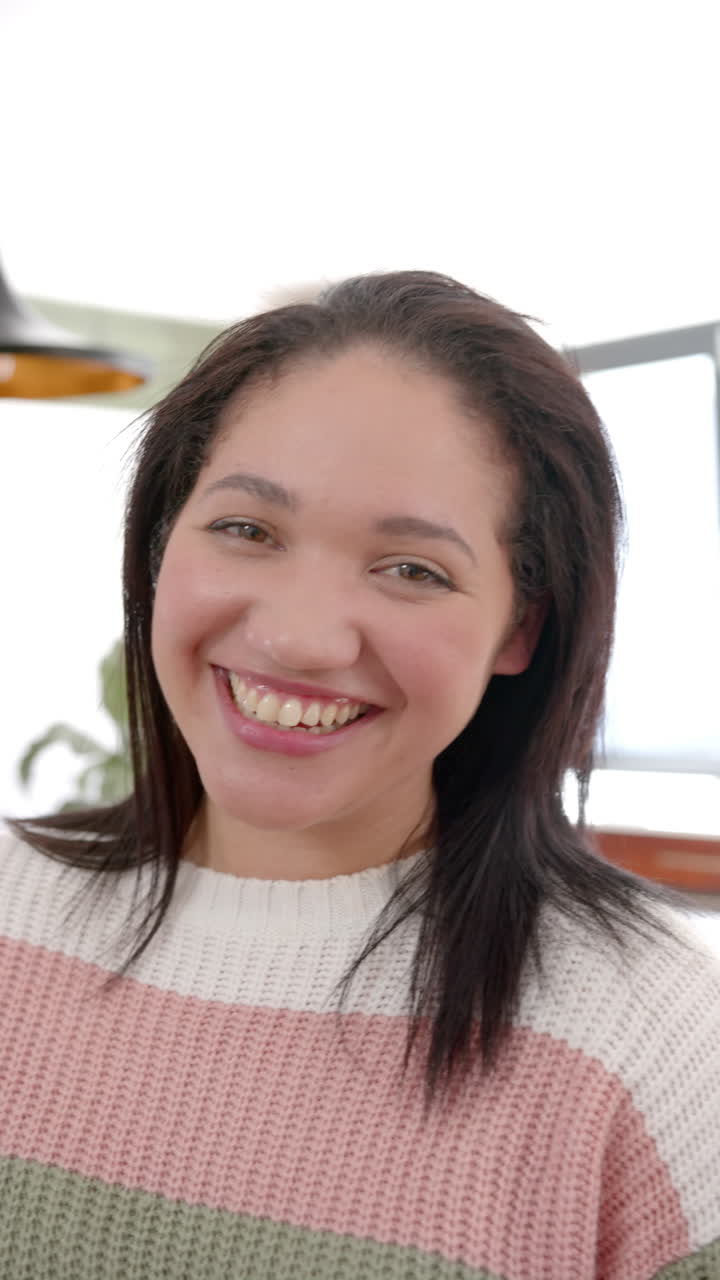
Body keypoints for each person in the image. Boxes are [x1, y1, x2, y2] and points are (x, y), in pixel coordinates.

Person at [1, 270, 718, 1280]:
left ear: (522, 626)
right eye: (247, 529)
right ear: (162, 545)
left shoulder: (648, 1033)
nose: (298, 636)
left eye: (412, 568)